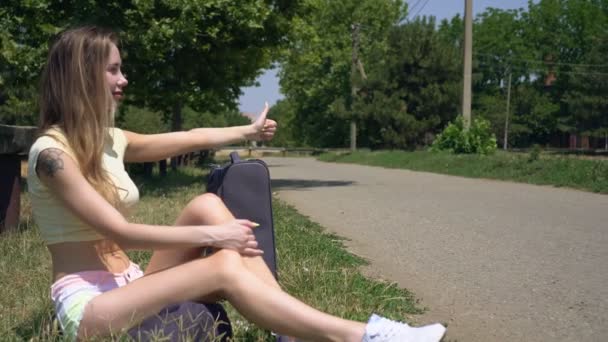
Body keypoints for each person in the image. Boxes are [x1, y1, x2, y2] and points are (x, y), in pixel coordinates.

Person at [27, 25, 447, 341]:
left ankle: (290, 328)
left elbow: (188, 138)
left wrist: (247, 133)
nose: (124, 79)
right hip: (90, 306)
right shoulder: (52, 155)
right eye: (113, 70)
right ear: (83, 76)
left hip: (130, 282)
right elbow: (119, 231)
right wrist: (217, 236)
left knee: (206, 203)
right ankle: (364, 335)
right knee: (223, 257)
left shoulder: (109, 139)